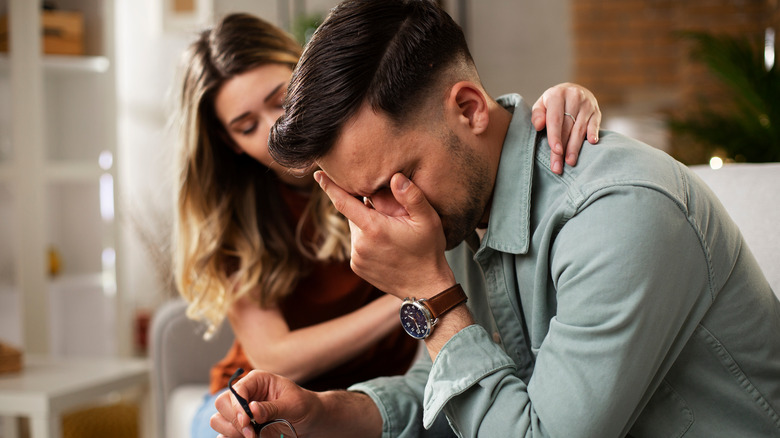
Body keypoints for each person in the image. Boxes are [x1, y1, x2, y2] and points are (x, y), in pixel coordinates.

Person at [212, 1, 780, 437]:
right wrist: (328, 413)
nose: (387, 216)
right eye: (367, 198)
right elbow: (444, 385)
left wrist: (433, 299)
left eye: (394, 182)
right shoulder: (457, 206)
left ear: (468, 109)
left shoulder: (618, 215)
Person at [172, 12, 602, 438]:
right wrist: (423, 296)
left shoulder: (396, 164)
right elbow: (275, 355)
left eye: (281, 102)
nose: (271, 132)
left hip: (388, 384)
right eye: (246, 126)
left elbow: (480, 138)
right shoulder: (236, 220)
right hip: (282, 394)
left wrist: (564, 102)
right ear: (230, 142)